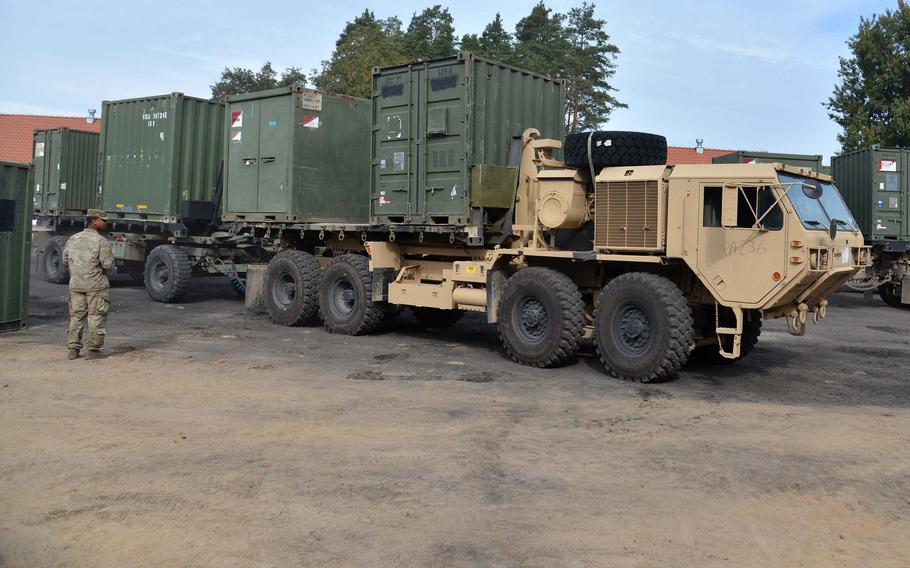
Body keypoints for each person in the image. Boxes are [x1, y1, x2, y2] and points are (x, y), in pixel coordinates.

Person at [63, 209, 114, 360]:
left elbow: (65, 260)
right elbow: (108, 265)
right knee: (96, 316)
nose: (106, 223)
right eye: (103, 220)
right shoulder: (101, 242)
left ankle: (73, 349)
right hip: (95, 286)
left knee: (76, 316)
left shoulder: (72, 239)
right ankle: (92, 350)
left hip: (76, 284)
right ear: (94, 221)